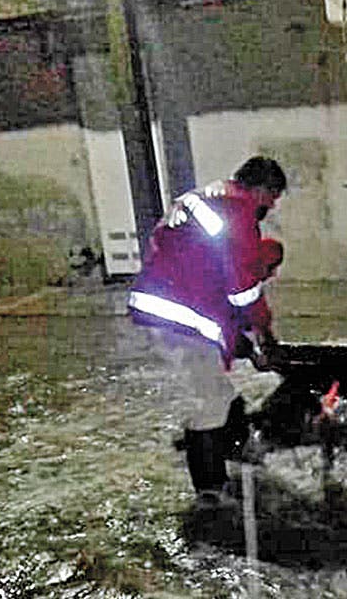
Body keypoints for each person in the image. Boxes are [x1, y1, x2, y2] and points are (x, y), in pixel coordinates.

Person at [127, 156, 287, 506]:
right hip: (180, 313)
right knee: (209, 402)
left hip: (170, 304)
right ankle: (210, 492)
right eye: (272, 197)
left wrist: (246, 348)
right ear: (261, 189)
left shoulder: (206, 198)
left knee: (221, 393)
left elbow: (194, 265)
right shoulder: (238, 212)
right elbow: (243, 291)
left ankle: (231, 453)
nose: (271, 206)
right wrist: (265, 336)